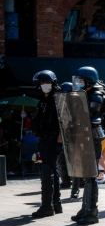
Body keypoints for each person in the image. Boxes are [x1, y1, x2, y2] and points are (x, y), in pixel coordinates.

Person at [70, 66, 105, 225]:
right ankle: (85, 208)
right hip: (85, 139)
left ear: (89, 81)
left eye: (81, 80)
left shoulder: (96, 96)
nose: (78, 83)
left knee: (91, 177)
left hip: (92, 140)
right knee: (87, 176)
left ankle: (92, 212)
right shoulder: (86, 94)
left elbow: (86, 116)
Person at [31, 70, 62, 217]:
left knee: (46, 169)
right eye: (42, 83)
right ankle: (55, 204)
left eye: (47, 82)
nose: (45, 85)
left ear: (53, 82)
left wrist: (60, 138)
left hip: (53, 138)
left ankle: (47, 205)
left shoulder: (57, 99)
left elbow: (63, 120)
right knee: (51, 169)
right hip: (44, 138)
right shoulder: (42, 101)